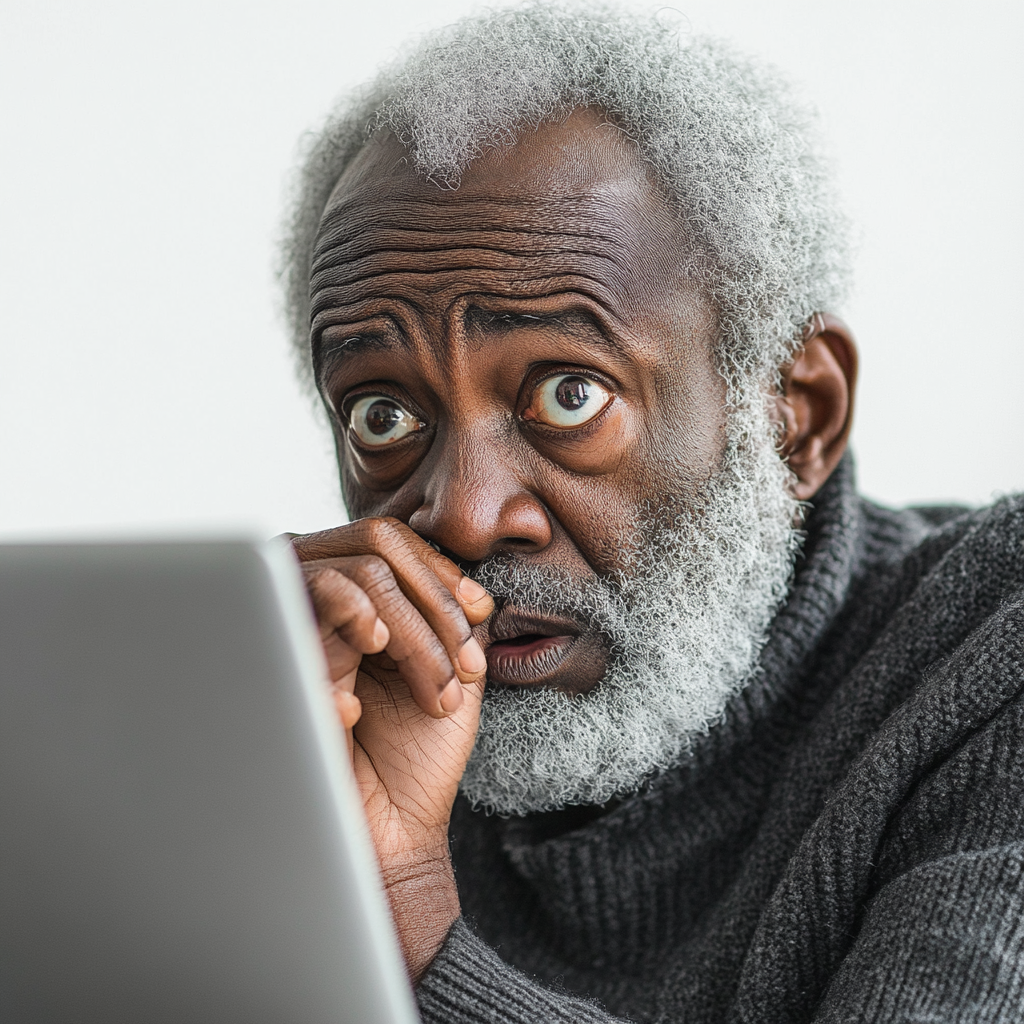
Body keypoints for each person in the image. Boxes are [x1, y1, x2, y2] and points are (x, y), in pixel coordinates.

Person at [280, 4, 1024, 1021]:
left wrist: (408, 927)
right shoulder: (339, 730)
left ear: (793, 415)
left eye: (567, 394)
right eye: (382, 413)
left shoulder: (991, 661)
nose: (460, 515)